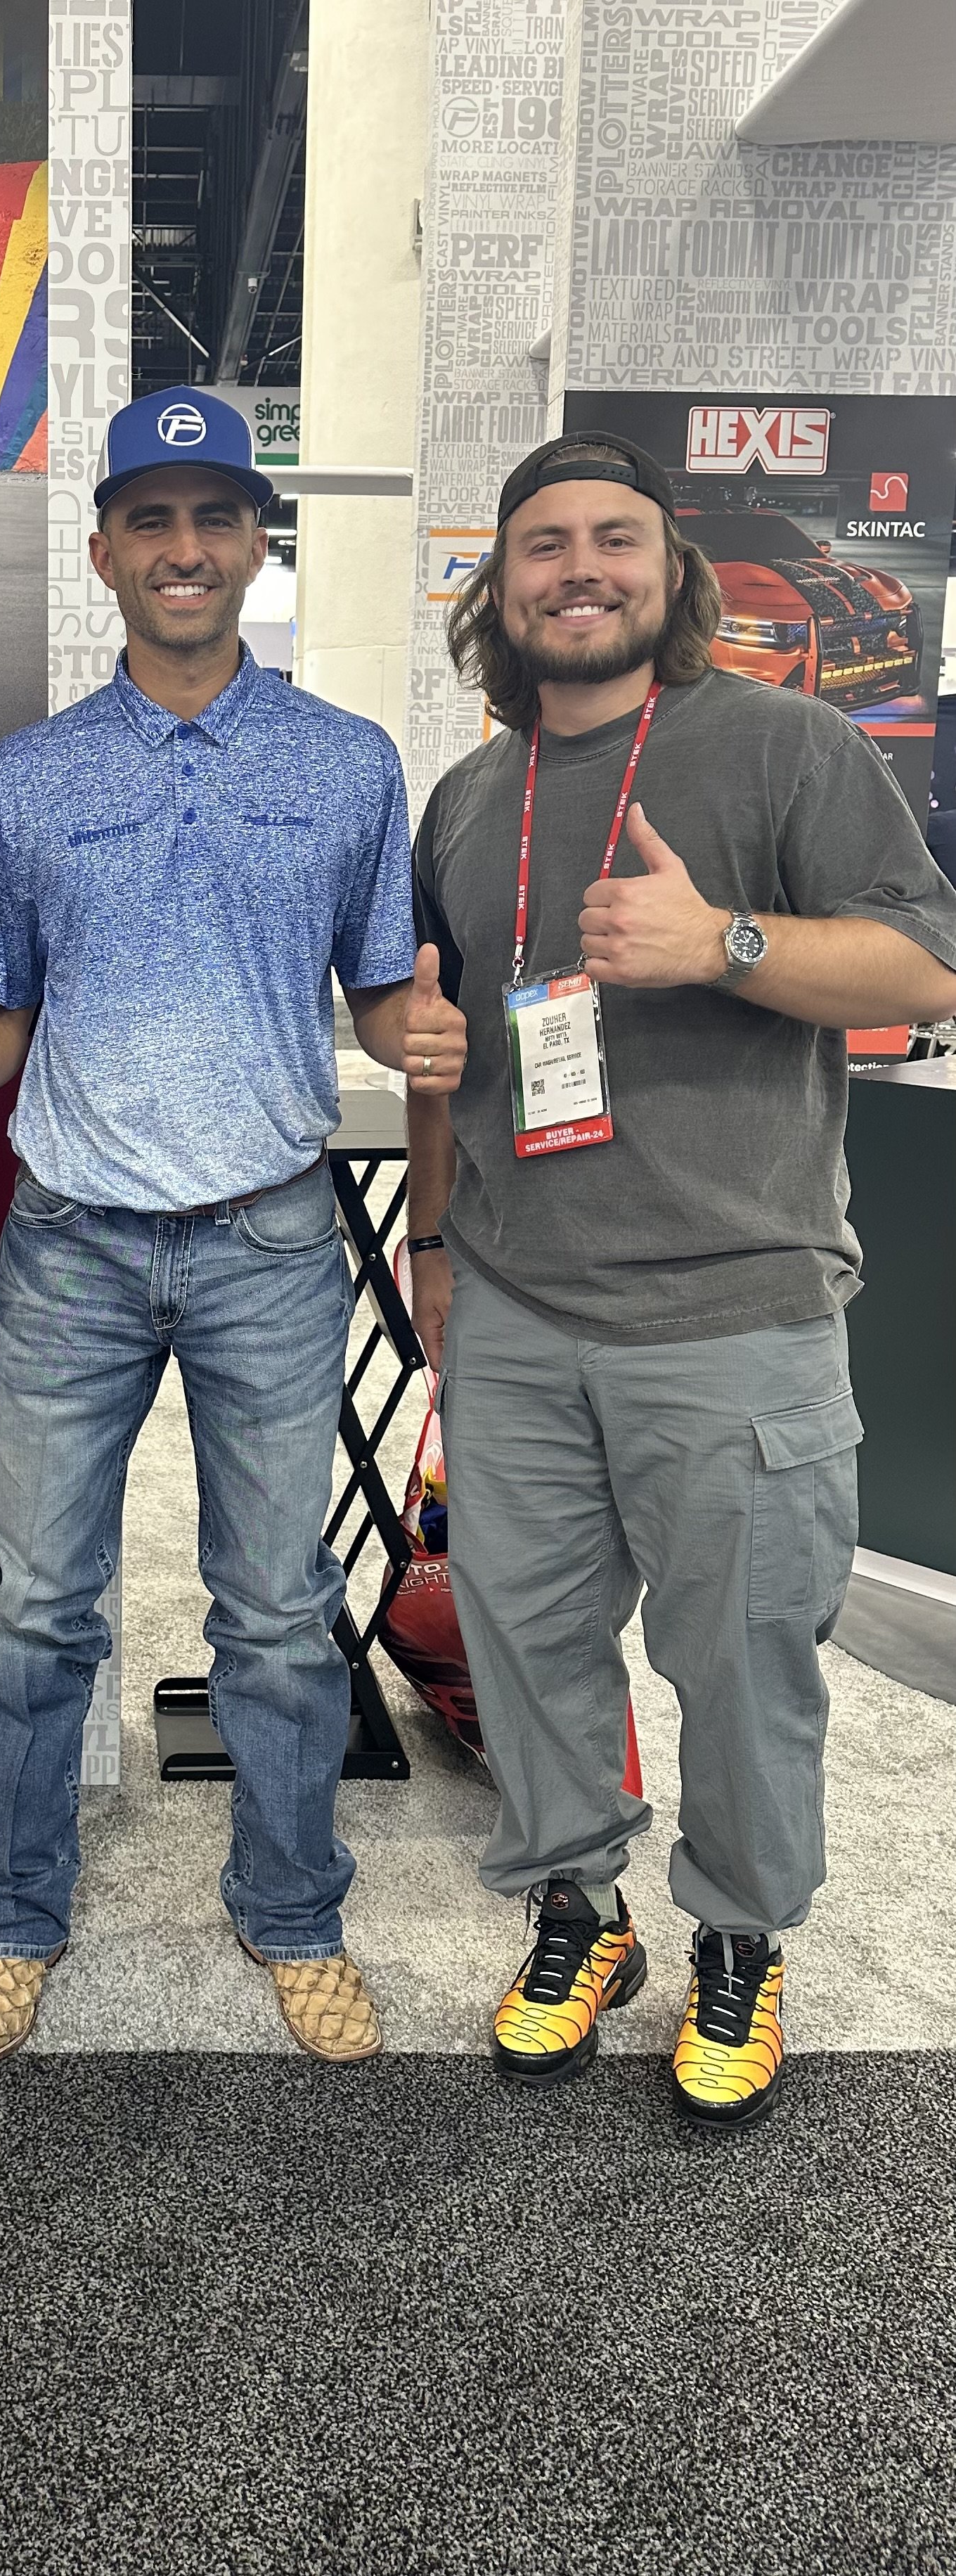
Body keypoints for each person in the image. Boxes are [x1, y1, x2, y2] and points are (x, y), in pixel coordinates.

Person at [0, 385, 466, 2065]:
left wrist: (411, 1037)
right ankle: (14, 1916)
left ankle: (291, 1912)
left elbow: (379, 999)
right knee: (38, 1607)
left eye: (216, 517)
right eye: (152, 519)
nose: (186, 547)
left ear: (255, 544)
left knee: (276, 1609)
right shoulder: (34, 778)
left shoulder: (348, 763)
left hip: (270, 1240)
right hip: (73, 1242)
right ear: (104, 552)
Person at [406, 430, 956, 2125]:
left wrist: (722, 944)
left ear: (668, 570)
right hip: (511, 1307)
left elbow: (930, 959)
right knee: (530, 1649)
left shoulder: (784, 748)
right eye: (544, 545)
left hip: (735, 1313)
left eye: (614, 540)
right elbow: (458, 1059)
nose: (580, 569)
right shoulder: (471, 797)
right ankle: (580, 1911)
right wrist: (432, 1248)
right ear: (498, 589)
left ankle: (737, 1937)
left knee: (741, 1665)